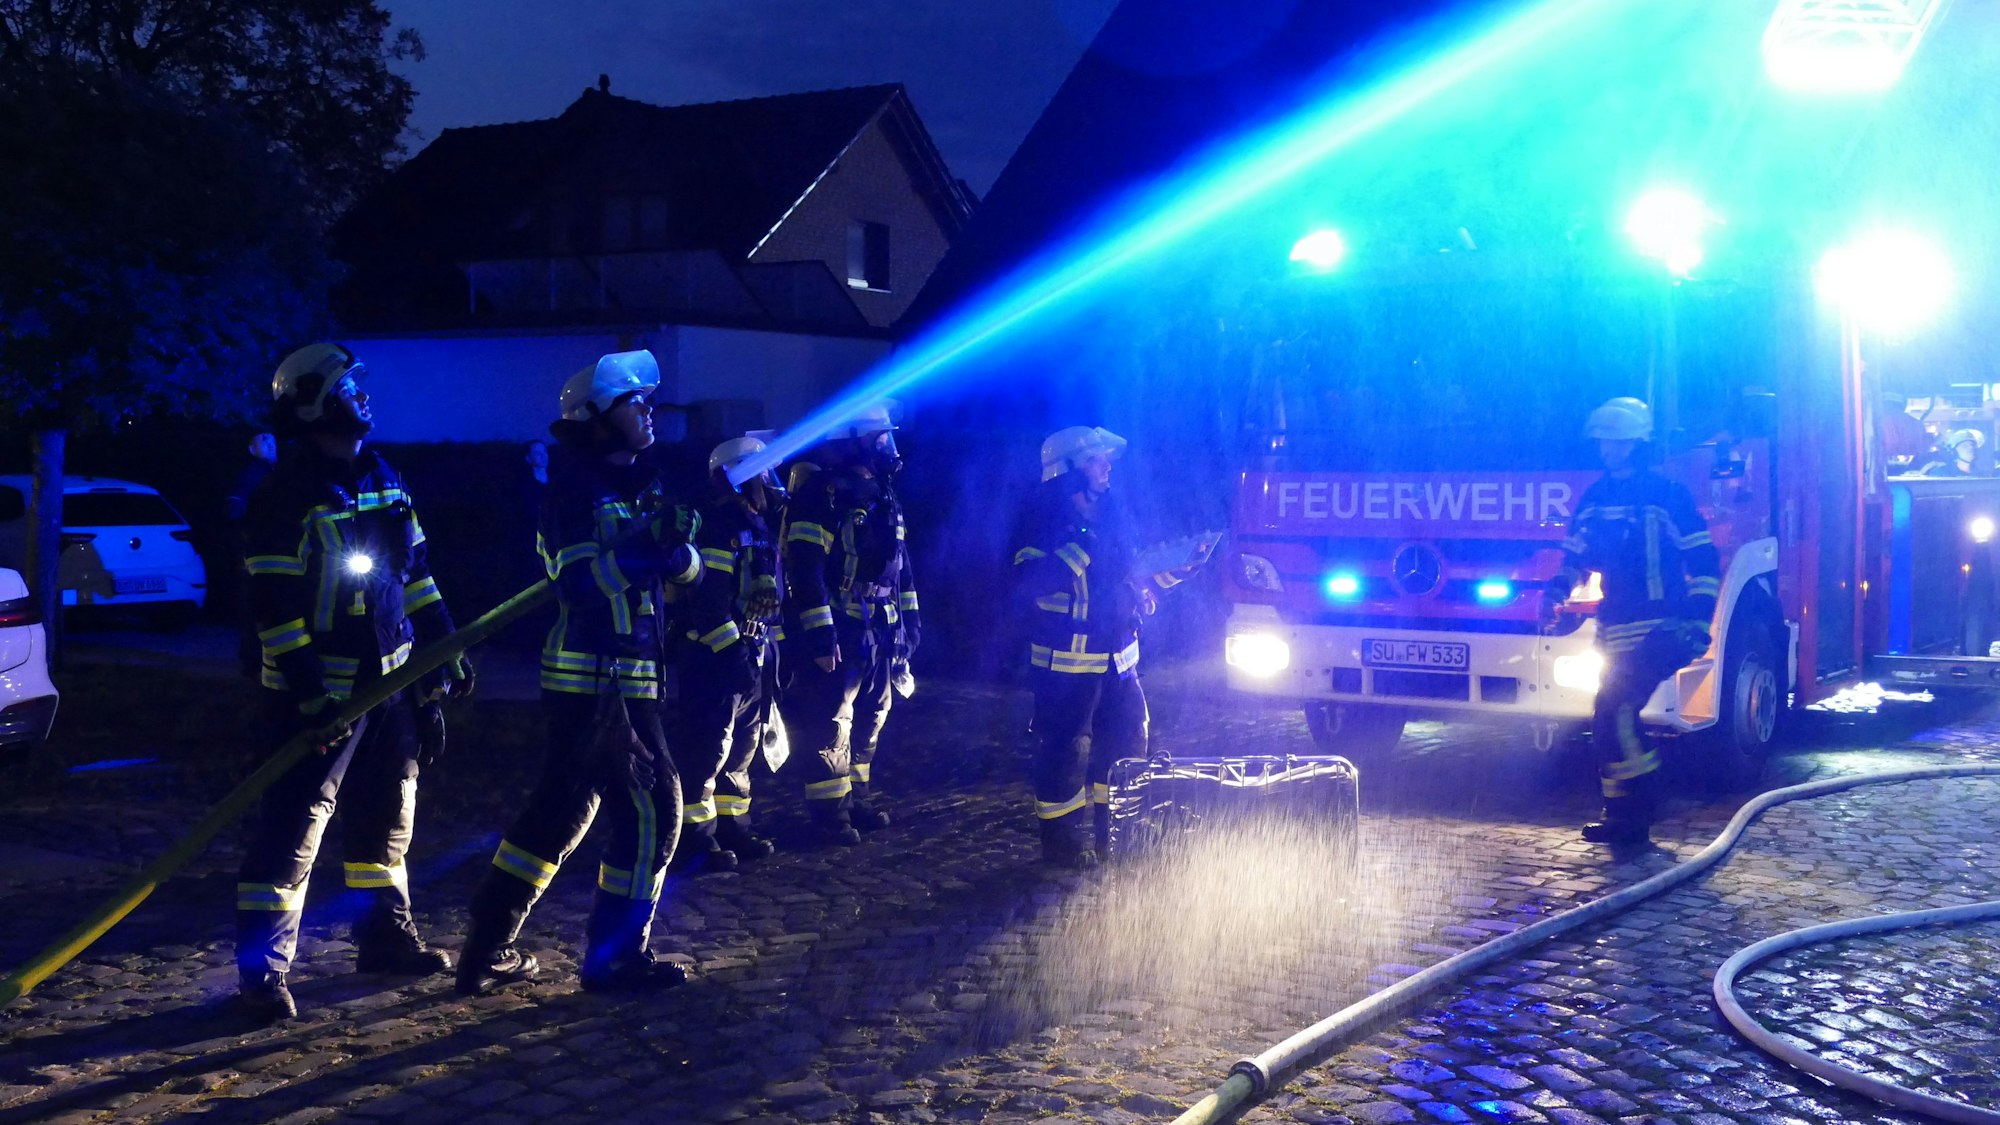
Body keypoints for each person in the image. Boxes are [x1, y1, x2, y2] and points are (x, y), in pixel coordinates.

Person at [236, 343, 475, 1022]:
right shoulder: (281, 496)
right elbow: (274, 612)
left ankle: (385, 939)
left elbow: (418, 577)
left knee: (387, 820)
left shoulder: (386, 478)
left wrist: (446, 651)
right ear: (313, 400)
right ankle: (261, 975)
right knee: (292, 831)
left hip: (390, 689)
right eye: (349, 386)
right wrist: (312, 695)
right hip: (316, 700)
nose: (363, 395)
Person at [457, 350, 704, 996]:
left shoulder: (640, 484)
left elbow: (680, 579)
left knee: (560, 812)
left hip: (626, 676)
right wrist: (616, 714)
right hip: (598, 680)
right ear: (597, 416)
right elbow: (578, 583)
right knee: (655, 812)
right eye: (635, 403)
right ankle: (615, 957)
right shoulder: (572, 489)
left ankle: (487, 944)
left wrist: (680, 553)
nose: (648, 411)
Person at [1010, 426, 1198, 868]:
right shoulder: (1040, 519)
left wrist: (1175, 572)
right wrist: (1082, 550)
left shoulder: (1112, 517)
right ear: (1069, 469)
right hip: (1066, 663)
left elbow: (1132, 577)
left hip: (1120, 659)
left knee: (1128, 743)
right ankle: (1062, 844)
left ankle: (1119, 832)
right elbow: (1027, 585)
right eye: (1097, 460)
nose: (1107, 467)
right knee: (1064, 752)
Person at [1543, 397, 1721, 846]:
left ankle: (1640, 808)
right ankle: (1621, 813)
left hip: (1663, 627)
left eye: (1618, 442)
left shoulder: (1667, 494)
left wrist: (1699, 620)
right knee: (1606, 719)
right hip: (1616, 629)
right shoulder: (1598, 497)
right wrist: (1554, 591)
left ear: (1637, 444)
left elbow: (1703, 558)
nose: (1609, 449)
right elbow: (1576, 554)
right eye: (1604, 441)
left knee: (1616, 712)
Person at [781, 403, 919, 846]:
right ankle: (828, 813)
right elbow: (805, 566)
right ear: (856, 442)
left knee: (873, 714)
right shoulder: (823, 492)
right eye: (882, 438)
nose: (889, 447)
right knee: (831, 719)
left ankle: (855, 796)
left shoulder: (883, 494)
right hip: (842, 624)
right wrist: (820, 632)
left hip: (879, 625)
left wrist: (910, 621)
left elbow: (902, 567)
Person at [669, 434, 786, 873]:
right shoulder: (721, 524)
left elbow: (772, 598)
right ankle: (695, 838)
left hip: (749, 651)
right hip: (713, 657)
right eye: (763, 473)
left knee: (743, 744)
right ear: (739, 478)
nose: (769, 482)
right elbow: (709, 599)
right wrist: (730, 650)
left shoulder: (756, 527)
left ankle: (733, 823)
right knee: (707, 748)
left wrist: (774, 650)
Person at [229, 431, 279, 677]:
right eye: (262, 440)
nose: (269, 443)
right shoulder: (252, 475)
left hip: (278, 553)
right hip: (257, 554)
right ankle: (251, 662)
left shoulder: (284, 473)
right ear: (251, 449)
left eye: (271, 439)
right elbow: (235, 511)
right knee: (256, 607)